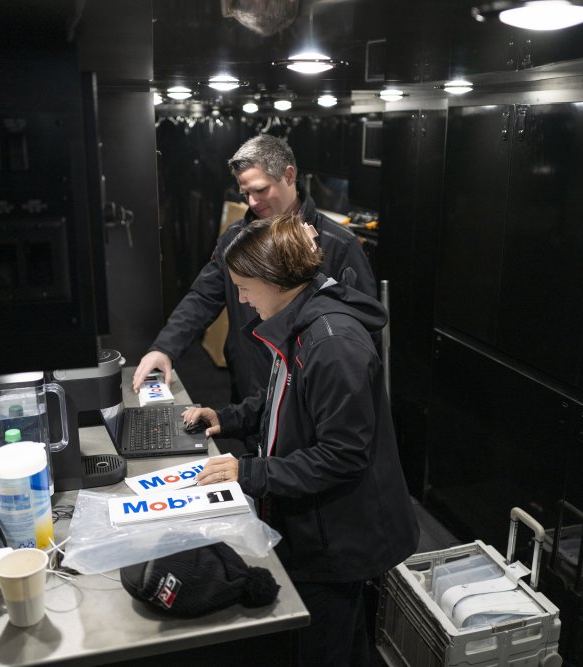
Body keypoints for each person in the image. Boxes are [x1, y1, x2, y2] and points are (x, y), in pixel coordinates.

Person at [182, 214, 418, 667]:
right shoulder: (298, 320)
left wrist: (249, 471)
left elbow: (342, 457)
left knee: (324, 644)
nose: (242, 299)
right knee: (343, 642)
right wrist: (227, 419)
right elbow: (282, 397)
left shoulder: (332, 344)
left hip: (337, 537)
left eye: (244, 287)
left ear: (275, 279)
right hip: (317, 524)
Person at [132, 134, 376, 405]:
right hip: (249, 383)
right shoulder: (234, 239)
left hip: (310, 392)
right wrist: (165, 347)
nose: (252, 202)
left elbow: (362, 329)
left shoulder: (339, 244)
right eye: (246, 193)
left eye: (260, 190)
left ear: (289, 175)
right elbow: (203, 296)